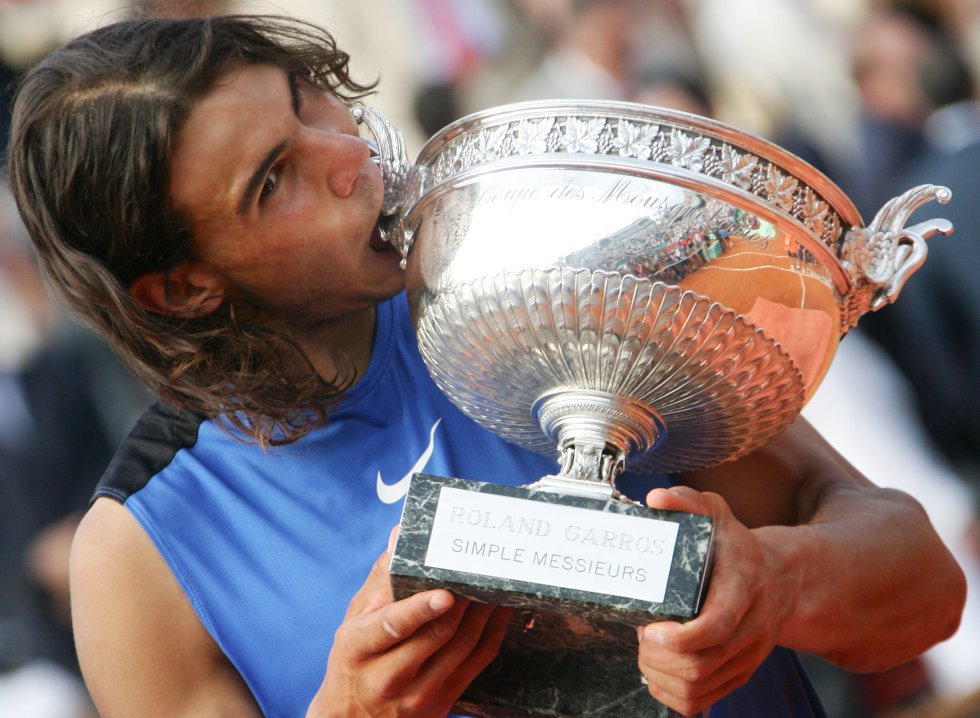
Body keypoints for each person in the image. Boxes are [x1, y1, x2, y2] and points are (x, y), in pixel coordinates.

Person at [5, 14, 966, 718]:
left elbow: (925, 591)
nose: (345, 153)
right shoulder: (142, 551)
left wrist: (773, 585)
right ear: (183, 289)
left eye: (310, 106)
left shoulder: (549, 290)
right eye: (272, 182)